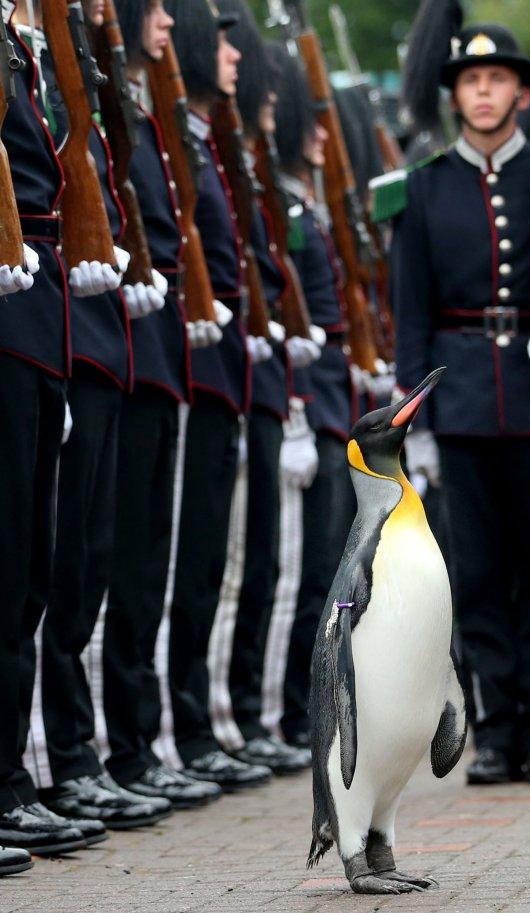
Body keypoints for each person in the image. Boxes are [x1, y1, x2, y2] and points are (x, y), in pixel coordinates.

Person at [388, 4, 530, 784]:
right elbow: (410, 315)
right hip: (457, 404)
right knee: (477, 572)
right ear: (455, 94)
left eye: (499, 79)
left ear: (523, 92)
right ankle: (492, 728)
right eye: (471, 80)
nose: (484, 93)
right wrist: (412, 424)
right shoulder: (420, 191)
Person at [16, 0, 170, 831]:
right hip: (48, 337)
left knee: (80, 569)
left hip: (80, 337)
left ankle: (70, 760)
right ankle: (49, 762)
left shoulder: (66, 77)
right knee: (37, 569)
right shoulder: (33, 66)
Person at [100, 0, 219, 809]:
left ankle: (139, 745)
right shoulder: (114, 110)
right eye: (162, 9)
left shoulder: (145, 114)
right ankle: (93, 750)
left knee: (149, 565)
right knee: (102, 562)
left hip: (160, 355)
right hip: (119, 351)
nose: (170, 23)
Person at [217, 0, 318, 774]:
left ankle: (250, 716)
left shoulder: (275, 192)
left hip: (272, 389)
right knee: (228, 572)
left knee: (285, 575)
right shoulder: (249, 182)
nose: (305, 127)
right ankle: (219, 719)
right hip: (220, 379)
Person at [271, 46, 357, 750]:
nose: (324, 134)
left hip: (335, 405)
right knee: (296, 578)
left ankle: (310, 704)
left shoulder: (310, 207)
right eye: (312, 121)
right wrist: (298, 406)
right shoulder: (287, 206)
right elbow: (293, 316)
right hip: (312, 404)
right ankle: (285, 709)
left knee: (328, 574)